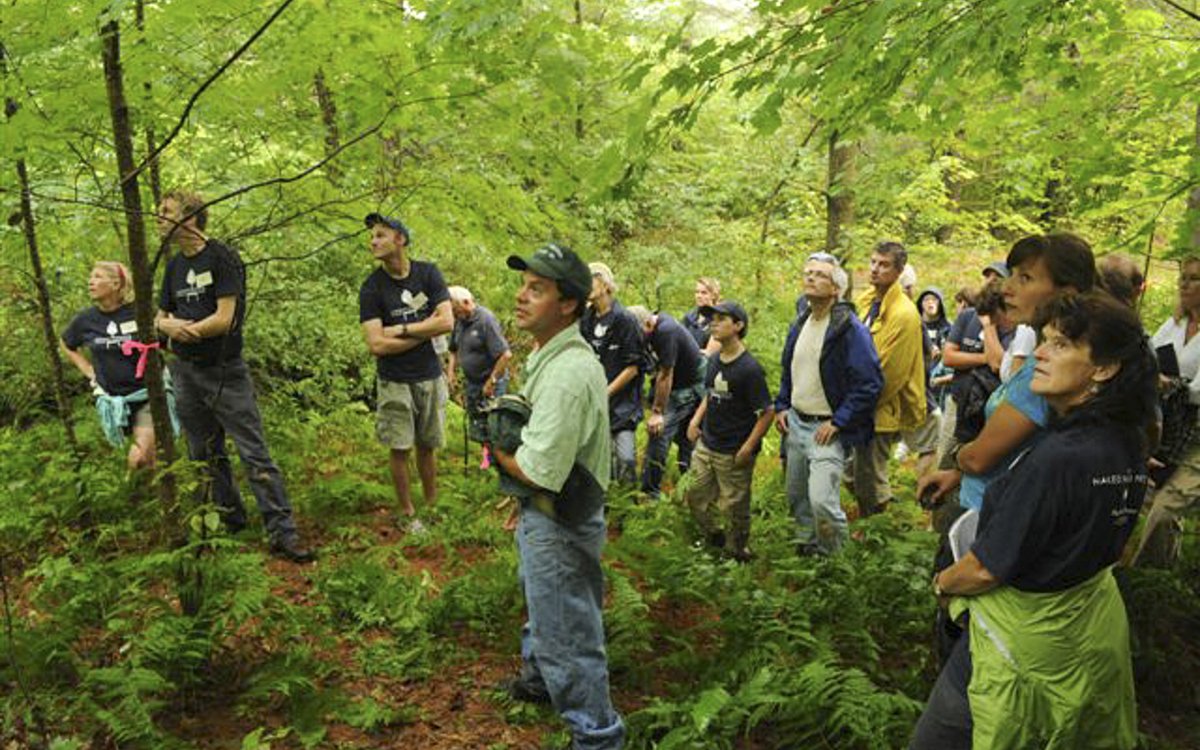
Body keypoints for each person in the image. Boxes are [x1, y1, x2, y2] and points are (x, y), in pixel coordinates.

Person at [912, 292, 1156, 750]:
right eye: (1044, 340)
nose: (1039, 353)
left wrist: (943, 584)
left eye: (1061, 345)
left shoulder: (1058, 458)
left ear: (1104, 368)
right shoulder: (1128, 440)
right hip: (1086, 632)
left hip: (1018, 645)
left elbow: (984, 569)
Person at [918, 233, 1098, 663]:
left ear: (1067, 292)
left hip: (993, 525)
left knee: (969, 649)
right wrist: (959, 473)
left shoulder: (1053, 371)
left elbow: (984, 455)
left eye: (1026, 278)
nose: (1007, 287)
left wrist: (963, 458)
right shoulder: (1040, 351)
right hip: (990, 509)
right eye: (1012, 274)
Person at [492, 243, 625, 750]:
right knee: (545, 605)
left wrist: (497, 450)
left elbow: (536, 470)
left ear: (568, 304)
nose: (521, 296)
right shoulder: (553, 355)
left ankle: (597, 735)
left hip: (560, 518)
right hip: (551, 511)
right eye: (523, 285)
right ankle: (539, 680)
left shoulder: (568, 374)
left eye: (537, 289)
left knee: (566, 633)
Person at [155, 189, 313, 562]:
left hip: (224, 370)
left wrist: (183, 329)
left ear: (189, 216)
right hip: (184, 371)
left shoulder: (222, 257)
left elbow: (226, 318)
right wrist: (170, 327)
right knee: (202, 453)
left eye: (166, 210)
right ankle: (230, 521)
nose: (158, 217)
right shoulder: (174, 266)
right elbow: (160, 317)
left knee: (252, 450)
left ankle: (282, 533)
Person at [776, 253, 882, 553]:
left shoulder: (849, 330)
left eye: (820, 274)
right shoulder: (801, 322)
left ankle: (834, 559)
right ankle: (807, 549)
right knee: (797, 497)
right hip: (796, 424)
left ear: (836, 289)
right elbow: (790, 368)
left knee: (822, 500)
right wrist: (782, 405)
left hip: (826, 430)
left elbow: (870, 382)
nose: (810, 277)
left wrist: (839, 421)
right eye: (808, 272)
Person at [683, 301, 773, 560]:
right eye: (712, 319)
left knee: (734, 505)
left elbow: (766, 412)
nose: (714, 323)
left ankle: (737, 552)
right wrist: (695, 421)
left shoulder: (749, 368)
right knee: (696, 494)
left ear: (738, 326)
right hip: (707, 443)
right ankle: (713, 539)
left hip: (734, 450)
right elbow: (710, 393)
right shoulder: (713, 360)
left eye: (721, 319)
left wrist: (748, 447)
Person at [62, 261, 172, 471]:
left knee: (139, 457)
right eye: (91, 277)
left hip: (147, 395)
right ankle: (158, 489)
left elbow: (165, 338)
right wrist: (88, 371)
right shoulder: (86, 320)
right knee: (148, 463)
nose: (90, 282)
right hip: (115, 401)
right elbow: (67, 344)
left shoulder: (140, 311)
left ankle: (154, 484)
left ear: (116, 283)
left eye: (97, 277)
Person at [1133, 253, 1200, 567]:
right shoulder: (1174, 324)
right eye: (1182, 278)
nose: (1184, 285)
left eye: (1194, 278)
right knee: (1147, 501)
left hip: (1197, 438)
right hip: (1169, 429)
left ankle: (1146, 578)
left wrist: (1168, 383)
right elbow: (1147, 356)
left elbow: (1197, 392)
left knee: (1164, 510)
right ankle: (1161, 572)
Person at [852, 241, 925, 516]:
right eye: (873, 262)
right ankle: (871, 519)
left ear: (898, 271)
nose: (875, 269)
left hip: (879, 407)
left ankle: (878, 526)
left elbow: (891, 374)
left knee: (871, 475)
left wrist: (859, 403)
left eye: (883, 265)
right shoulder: (867, 300)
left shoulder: (904, 314)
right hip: (858, 403)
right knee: (854, 471)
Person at [628, 306, 706, 499]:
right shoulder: (653, 327)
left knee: (658, 433)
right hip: (678, 385)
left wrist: (657, 412)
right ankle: (690, 490)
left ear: (648, 324)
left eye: (636, 333)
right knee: (686, 439)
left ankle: (650, 495)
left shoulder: (666, 331)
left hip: (688, 387)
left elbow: (666, 374)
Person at [581, 262, 643, 485]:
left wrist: (605, 392)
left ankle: (628, 503)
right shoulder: (586, 319)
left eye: (590, 280)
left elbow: (633, 367)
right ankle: (605, 502)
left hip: (622, 404)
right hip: (594, 403)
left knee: (626, 459)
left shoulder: (625, 319)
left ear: (606, 285)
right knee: (600, 461)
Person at [447, 285, 512, 469]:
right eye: (453, 312)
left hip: (492, 380)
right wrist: (451, 372)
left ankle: (500, 462)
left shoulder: (486, 320)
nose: (455, 314)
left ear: (467, 302)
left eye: (456, 310)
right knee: (477, 421)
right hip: (473, 381)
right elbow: (453, 349)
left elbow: (505, 355)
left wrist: (491, 381)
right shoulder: (459, 321)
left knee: (493, 422)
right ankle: (487, 458)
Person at [681, 277, 722, 354]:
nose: (699, 296)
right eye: (697, 292)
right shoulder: (690, 316)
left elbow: (709, 353)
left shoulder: (719, 319)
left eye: (704, 293)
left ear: (713, 295)